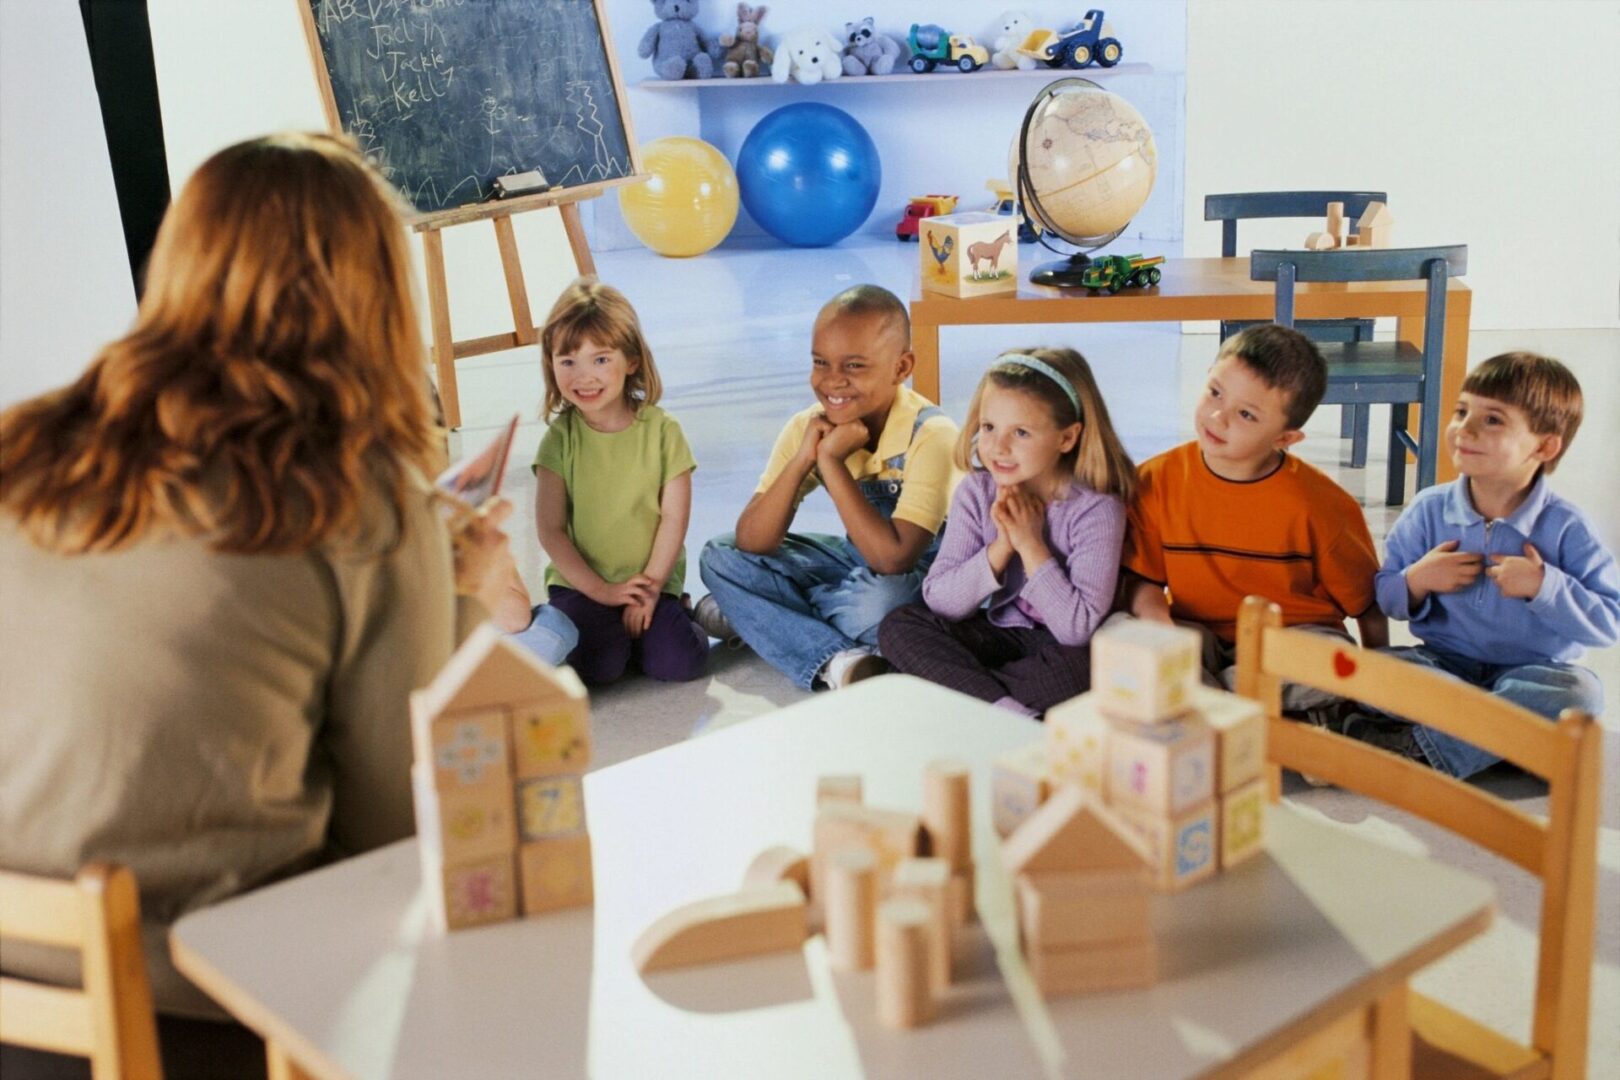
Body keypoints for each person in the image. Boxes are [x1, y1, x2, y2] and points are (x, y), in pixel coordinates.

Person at [0, 132, 512, 1077]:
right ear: (377, 293)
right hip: (196, 1010)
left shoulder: (30, 444)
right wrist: (466, 594)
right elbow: (401, 831)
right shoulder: (354, 498)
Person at [1350, 352, 1618, 775]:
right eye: (1461, 411)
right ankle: (1500, 736)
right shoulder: (1427, 509)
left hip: (1533, 674)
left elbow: (1608, 622)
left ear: (1545, 446)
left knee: (1580, 696)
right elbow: (1385, 596)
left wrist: (1543, 587)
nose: (1464, 429)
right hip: (1442, 665)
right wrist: (1417, 580)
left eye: (1492, 419)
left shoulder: (1567, 527)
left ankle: (1423, 749)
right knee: (1366, 670)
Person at [698, 284, 962, 689]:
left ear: (902, 367)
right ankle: (840, 657)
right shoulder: (808, 426)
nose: (832, 382)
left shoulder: (933, 435)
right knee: (720, 556)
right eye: (821, 362)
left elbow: (894, 561)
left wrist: (831, 463)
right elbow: (753, 540)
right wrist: (806, 456)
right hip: (855, 564)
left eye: (854, 366)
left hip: (924, 579)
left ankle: (760, 617)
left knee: (882, 605)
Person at [1118, 324, 1388, 710]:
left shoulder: (1324, 506)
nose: (1217, 416)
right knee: (1117, 633)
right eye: (1215, 392)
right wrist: (1165, 637)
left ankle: (1207, 703)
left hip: (1293, 640)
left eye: (1246, 414)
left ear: (1285, 438)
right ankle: (1236, 706)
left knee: (1339, 668)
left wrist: (1378, 684)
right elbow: (1141, 584)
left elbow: (1368, 607)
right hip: (1200, 635)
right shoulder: (1155, 480)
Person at [879, 349, 1134, 715]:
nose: (998, 447)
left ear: (1067, 438)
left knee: (1093, 669)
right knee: (900, 626)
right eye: (988, 427)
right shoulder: (977, 491)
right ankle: (1011, 713)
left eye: (1021, 432)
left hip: (1062, 649)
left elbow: (1076, 628)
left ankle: (962, 692)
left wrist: (1030, 544)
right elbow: (940, 600)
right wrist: (1001, 547)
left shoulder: (1097, 508)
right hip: (999, 631)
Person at [532, 278, 708, 685]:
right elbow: (551, 530)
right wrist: (601, 592)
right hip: (580, 586)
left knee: (679, 664)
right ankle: (564, 627)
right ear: (551, 365)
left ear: (630, 360)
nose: (584, 376)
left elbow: (673, 520)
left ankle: (683, 612)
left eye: (600, 359)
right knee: (598, 666)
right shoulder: (559, 439)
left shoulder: (664, 432)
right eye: (568, 361)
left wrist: (649, 590)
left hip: (651, 579)